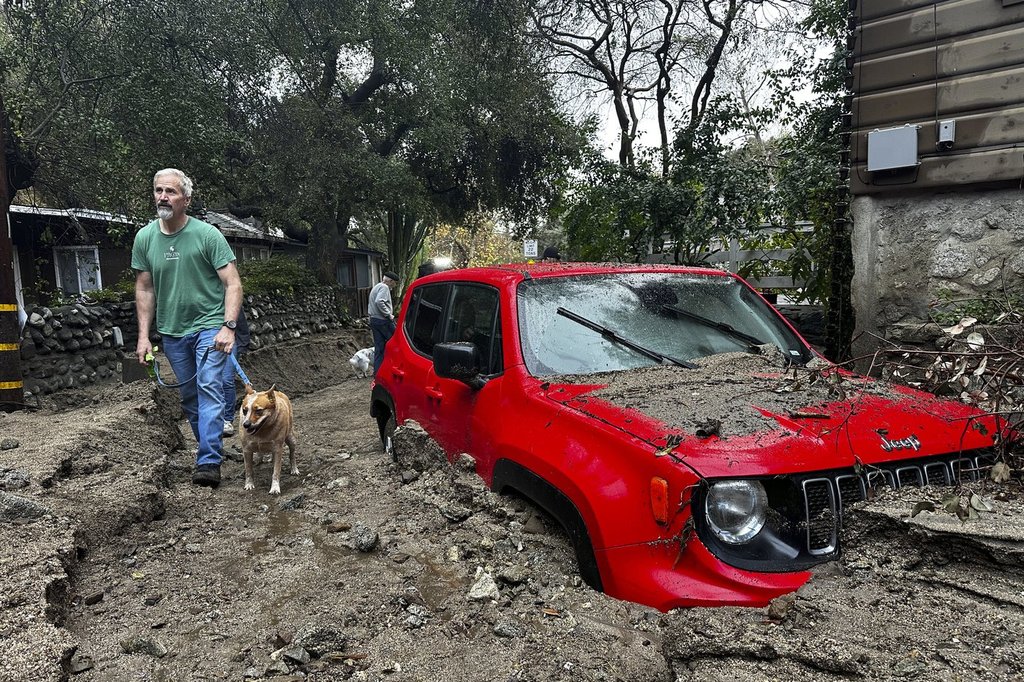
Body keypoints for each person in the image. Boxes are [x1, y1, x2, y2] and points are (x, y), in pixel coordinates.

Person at [132, 168, 243, 488]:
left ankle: (208, 460)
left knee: (209, 387)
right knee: (190, 397)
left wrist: (229, 326)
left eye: (171, 191)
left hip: (210, 325)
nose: (162, 197)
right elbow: (144, 289)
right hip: (172, 331)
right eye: (158, 190)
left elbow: (233, 284)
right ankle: (211, 448)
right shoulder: (145, 238)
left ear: (186, 199)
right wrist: (143, 337)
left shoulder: (208, 235)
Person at [221, 307, 251, 436]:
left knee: (226, 379)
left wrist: (243, 343)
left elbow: (240, 319)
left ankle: (227, 420)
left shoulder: (228, 295)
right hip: (207, 341)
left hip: (231, 342)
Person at [368, 270, 399, 376]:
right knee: (396, 342)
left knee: (379, 348)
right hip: (383, 320)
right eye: (394, 283)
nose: (394, 286)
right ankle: (394, 369)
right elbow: (379, 301)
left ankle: (378, 372)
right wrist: (388, 314)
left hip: (374, 320)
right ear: (390, 281)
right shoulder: (384, 287)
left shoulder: (376, 286)